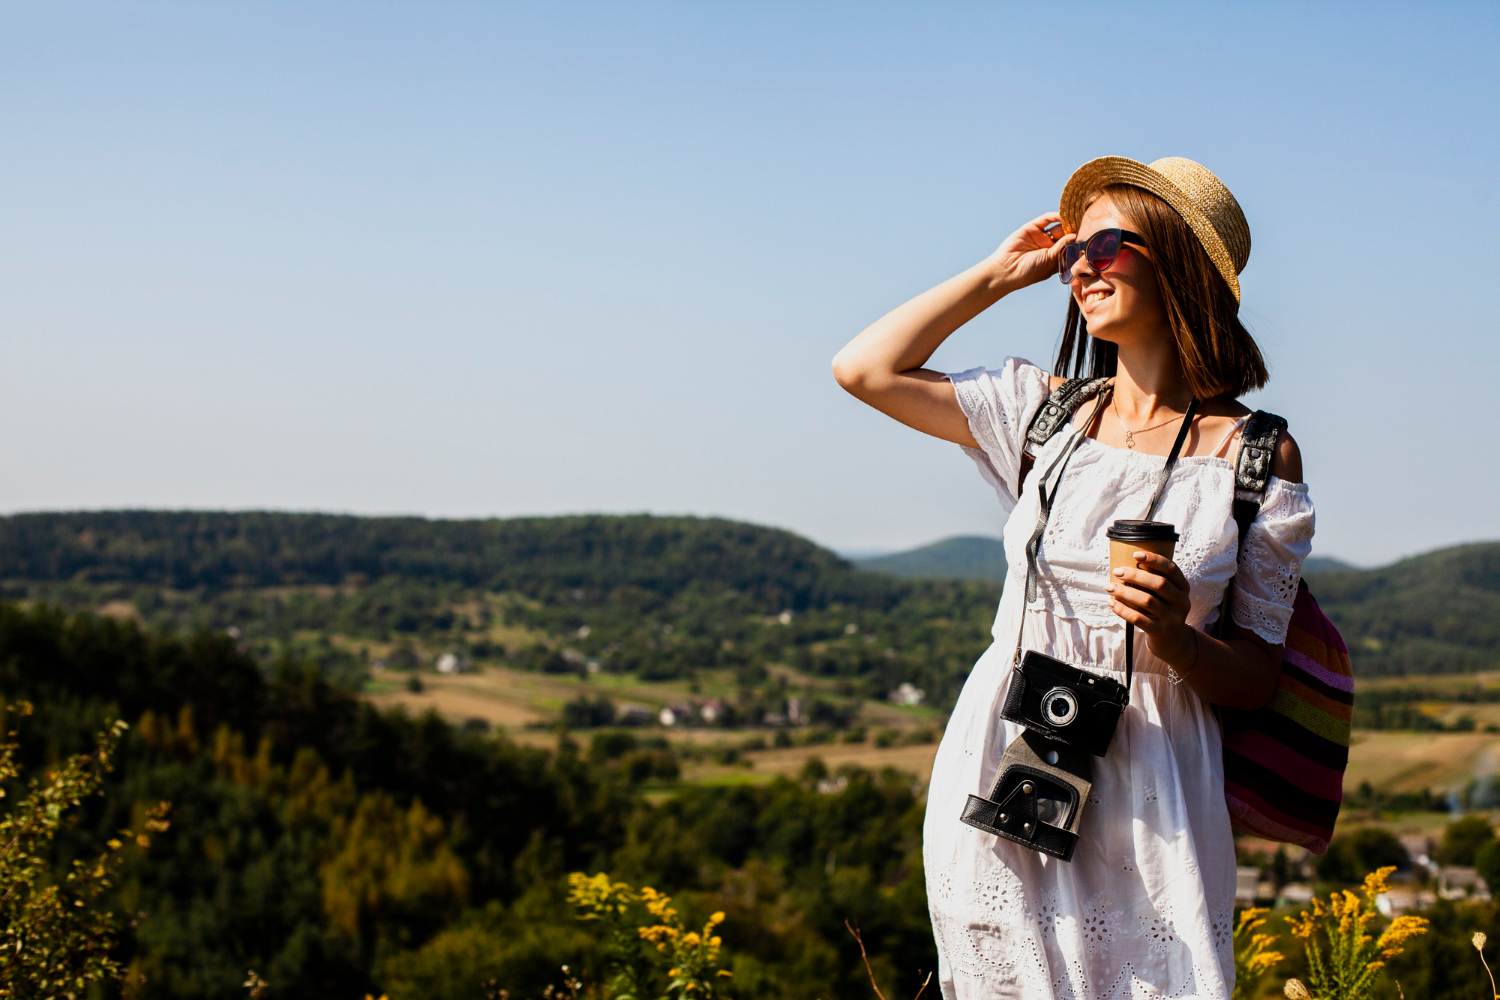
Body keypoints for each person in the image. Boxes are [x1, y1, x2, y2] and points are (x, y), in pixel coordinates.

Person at [832, 157, 1313, 999]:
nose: (1081, 264)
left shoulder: (1255, 455)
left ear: (1179, 260)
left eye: (1107, 244)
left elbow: (1257, 678)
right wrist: (995, 274)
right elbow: (864, 369)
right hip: (1008, 762)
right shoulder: (1044, 414)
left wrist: (1176, 640)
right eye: (1071, 253)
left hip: (1158, 792)